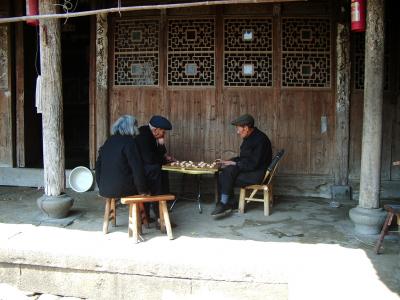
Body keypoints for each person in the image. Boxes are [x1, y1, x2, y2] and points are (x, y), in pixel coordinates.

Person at [211, 114, 272, 217]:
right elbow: (245, 158)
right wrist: (229, 161)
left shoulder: (260, 140)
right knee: (226, 172)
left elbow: (253, 164)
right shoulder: (250, 137)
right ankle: (229, 203)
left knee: (225, 176)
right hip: (251, 170)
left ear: (246, 128)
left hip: (257, 174)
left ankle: (225, 203)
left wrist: (235, 163)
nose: (237, 132)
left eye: (238, 129)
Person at [95, 115, 148, 198]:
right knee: (151, 173)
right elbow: (137, 168)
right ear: (132, 127)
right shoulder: (130, 142)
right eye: (135, 126)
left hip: (104, 189)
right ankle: (149, 208)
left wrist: (101, 187)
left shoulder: (108, 141)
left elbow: (98, 166)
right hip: (123, 189)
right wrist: (142, 190)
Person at [136, 115, 174, 218]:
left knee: (161, 170)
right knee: (157, 171)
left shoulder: (151, 134)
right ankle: (159, 216)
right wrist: (163, 159)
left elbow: (159, 154)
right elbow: (150, 159)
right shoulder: (144, 135)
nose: (164, 134)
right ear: (157, 130)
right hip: (139, 173)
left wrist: (161, 144)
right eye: (163, 132)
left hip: (147, 170)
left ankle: (157, 212)